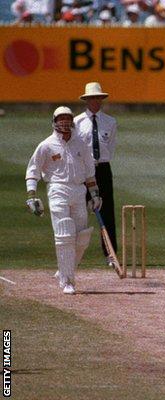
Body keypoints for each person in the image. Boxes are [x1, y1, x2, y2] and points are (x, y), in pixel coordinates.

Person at [25, 106, 101, 295]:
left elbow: (90, 172)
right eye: (61, 119)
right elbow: (33, 170)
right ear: (54, 121)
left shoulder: (81, 144)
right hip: (57, 189)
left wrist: (95, 195)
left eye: (68, 119)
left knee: (82, 237)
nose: (65, 122)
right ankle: (68, 281)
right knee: (65, 234)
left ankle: (64, 269)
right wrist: (32, 195)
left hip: (79, 189)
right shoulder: (47, 145)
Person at [74, 82, 118, 267]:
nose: (95, 101)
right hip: (84, 169)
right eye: (92, 98)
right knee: (78, 211)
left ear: (101, 99)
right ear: (86, 100)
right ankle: (73, 254)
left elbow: (111, 147)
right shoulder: (76, 122)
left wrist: (100, 164)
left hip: (102, 169)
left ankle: (110, 254)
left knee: (107, 212)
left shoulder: (110, 121)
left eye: (98, 98)